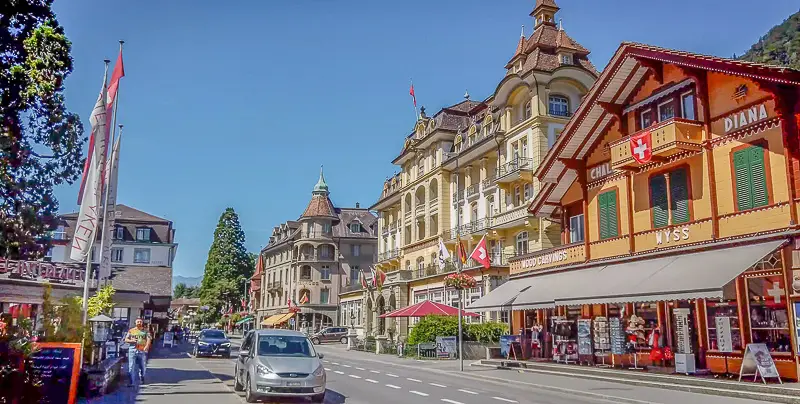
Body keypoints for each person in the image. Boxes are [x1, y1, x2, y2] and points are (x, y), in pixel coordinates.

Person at [124, 318, 152, 385]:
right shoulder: (131, 331)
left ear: (142, 323)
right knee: (131, 366)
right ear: (135, 323)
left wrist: (147, 346)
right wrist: (132, 341)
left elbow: (149, 339)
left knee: (142, 365)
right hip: (132, 349)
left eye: (140, 322)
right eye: (138, 322)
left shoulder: (145, 331)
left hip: (142, 350)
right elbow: (126, 339)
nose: (139, 323)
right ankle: (131, 382)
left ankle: (142, 378)